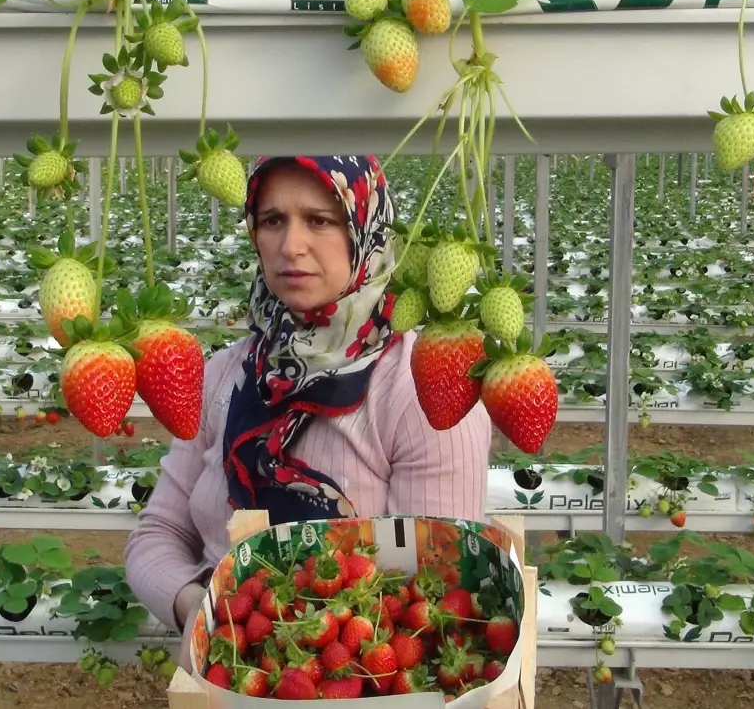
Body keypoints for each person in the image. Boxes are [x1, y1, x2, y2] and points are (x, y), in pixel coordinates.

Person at [124, 155, 491, 668]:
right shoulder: (225, 374)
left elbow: (433, 591)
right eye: (273, 220)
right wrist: (199, 608)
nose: (290, 245)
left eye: (320, 220)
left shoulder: (420, 392)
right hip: (224, 678)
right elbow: (158, 534)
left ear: (366, 228)